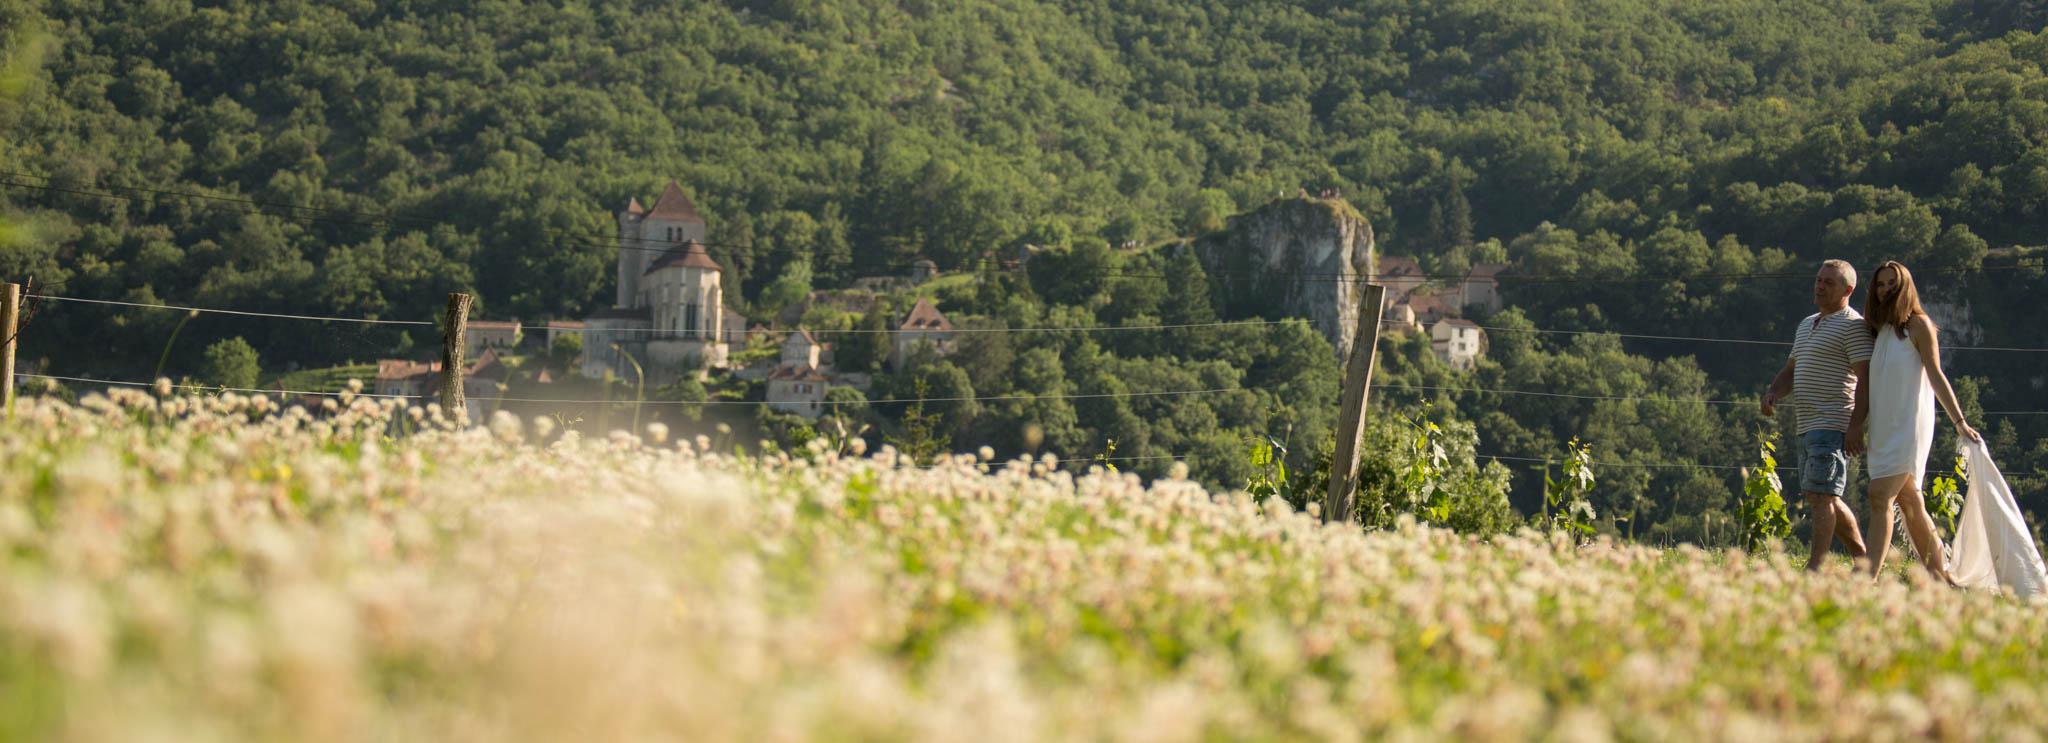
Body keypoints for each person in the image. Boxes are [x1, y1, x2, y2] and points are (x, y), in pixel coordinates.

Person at [1860, 260, 1981, 581]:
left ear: (1904, 287)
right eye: (1880, 284)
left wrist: (1959, 421)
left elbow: (1936, 375)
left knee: (1879, 495)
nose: (1885, 289)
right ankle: (1941, 577)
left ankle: (1866, 579)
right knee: (1910, 500)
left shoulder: (1920, 326)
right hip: (1884, 426)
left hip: (1909, 425)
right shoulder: (1880, 329)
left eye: (1891, 284)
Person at [1763, 259, 1870, 571]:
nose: (1820, 286)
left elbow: (1866, 379)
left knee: (1821, 496)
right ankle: (1864, 560)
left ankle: (1815, 568)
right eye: (1819, 280)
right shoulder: (1807, 323)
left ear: (1848, 290)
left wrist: (1855, 427)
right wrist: (1773, 392)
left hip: (1833, 421)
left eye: (1829, 283)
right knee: (1822, 495)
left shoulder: (1853, 325)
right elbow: (1792, 371)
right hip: (1806, 424)